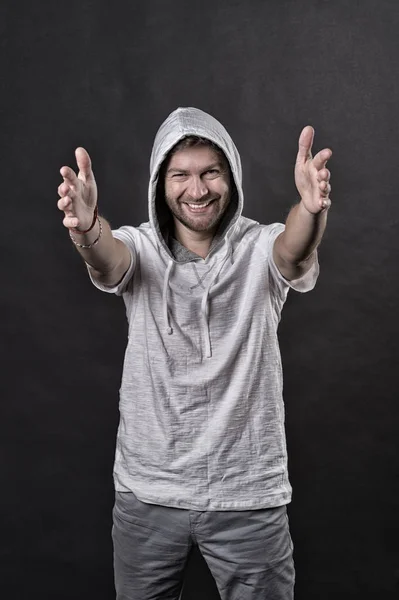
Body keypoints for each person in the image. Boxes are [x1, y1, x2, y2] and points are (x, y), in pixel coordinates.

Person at [57, 107, 332, 600]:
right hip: (148, 494)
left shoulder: (258, 247)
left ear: (231, 176)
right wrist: (87, 228)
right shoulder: (139, 248)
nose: (198, 190)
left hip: (248, 492)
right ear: (160, 183)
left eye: (211, 172)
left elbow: (291, 250)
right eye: (180, 175)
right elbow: (108, 258)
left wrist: (311, 210)